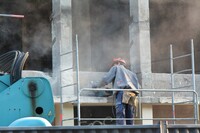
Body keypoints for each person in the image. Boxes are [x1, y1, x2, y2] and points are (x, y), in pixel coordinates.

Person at [92, 58, 139, 125]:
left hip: (122, 92)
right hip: (132, 94)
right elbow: (137, 87)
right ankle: (131, 128)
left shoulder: (116, 67)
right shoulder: (132, 74)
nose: (112, 66)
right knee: (130, 113)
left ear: (118, 63)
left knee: (120, 112)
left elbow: (105, 79)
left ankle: (120, 129)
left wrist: (95, 85)